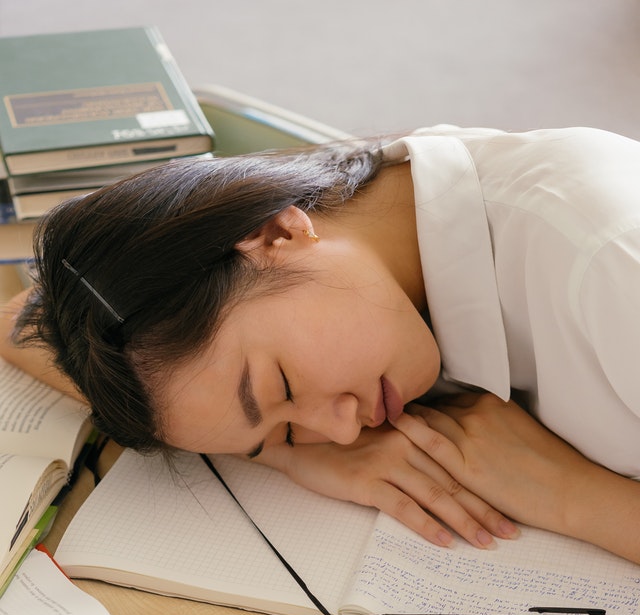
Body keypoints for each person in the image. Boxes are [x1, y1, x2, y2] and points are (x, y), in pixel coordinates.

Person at [1, 124, 639, 564]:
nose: (339, 432)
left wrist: (573, 496)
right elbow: (16, 322)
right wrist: (287, 457)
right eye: (285, 429)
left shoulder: (606, 264)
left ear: (278, 232)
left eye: (280, 388)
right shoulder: (359, 208)